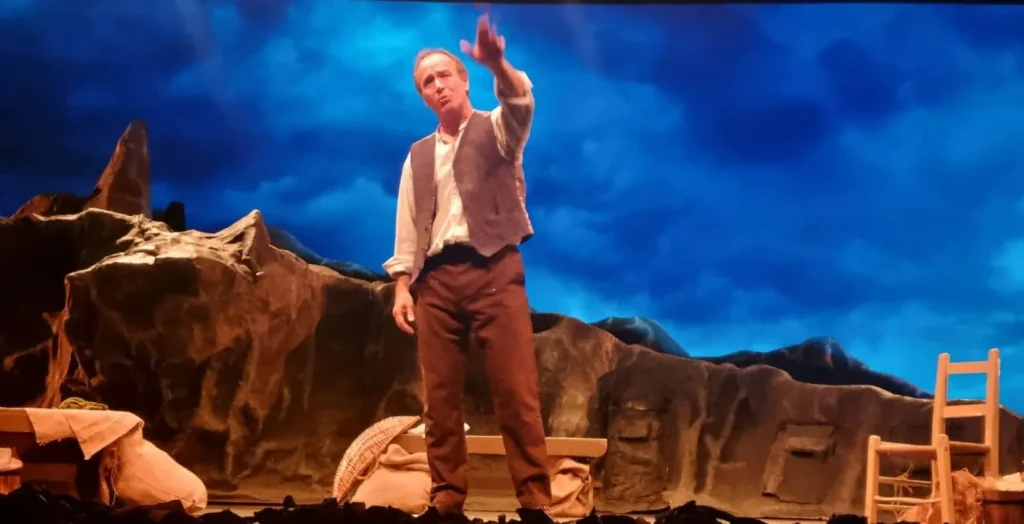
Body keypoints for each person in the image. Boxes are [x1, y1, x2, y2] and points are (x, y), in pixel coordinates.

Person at [382, 13, 552, 518]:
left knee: (516, 390)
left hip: (494, 269)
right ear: (423, 96)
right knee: (439, 399)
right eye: (426, 82)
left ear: (464, 81)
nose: (437, 86)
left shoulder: (497, 131)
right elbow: (409, 225)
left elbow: (520, 102)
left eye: (444, 75)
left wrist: (497, 63)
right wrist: (402, 285)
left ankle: (535, 502)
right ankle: (447, 499)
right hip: (436, 281)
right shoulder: (417, 156)